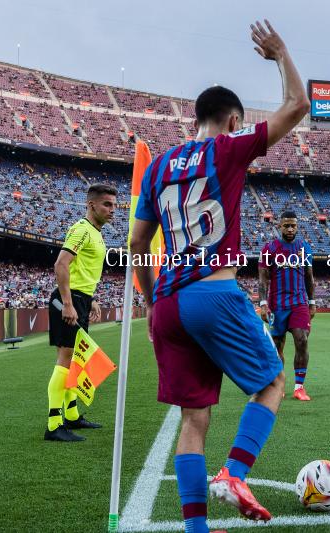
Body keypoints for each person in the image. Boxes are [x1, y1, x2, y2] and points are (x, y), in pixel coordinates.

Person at [130, 20, 309, 530]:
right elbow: (297, 105)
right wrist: (280, 54)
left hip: (167, 303)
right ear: (232, 120)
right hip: (213, 292)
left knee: (194, 417)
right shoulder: (227, 149)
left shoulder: (160, 165)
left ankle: (196, 528)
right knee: (273, 380)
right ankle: (234, 472)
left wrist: (148, 301)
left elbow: (138, 243)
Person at [45, 183, 116, 442]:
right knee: (65, 360)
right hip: (70, 300)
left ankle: (72, 415)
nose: (112, 210)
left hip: (81, 299)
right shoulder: (81, 230)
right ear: (91, 204)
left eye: (114, 206)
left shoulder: (96, 233)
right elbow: (61, 264)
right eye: (107, 204)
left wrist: (91, 299)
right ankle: (54, 424)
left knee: (77, 359)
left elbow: (82, 271)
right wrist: (67, 302)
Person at [258, 211, 315, 401]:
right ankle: (279, 385)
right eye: (286, 225)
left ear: (297, 227)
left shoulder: (304, 247)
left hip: (299, 302)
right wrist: (263, 304)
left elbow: (309, 276)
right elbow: (263, 278)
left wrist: (312, 302)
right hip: (277, 304)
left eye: (293, 225)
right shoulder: (270, 248)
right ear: (280, 226)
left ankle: (299, 388)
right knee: (277, 347)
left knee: (302, 340)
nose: (290, 229)